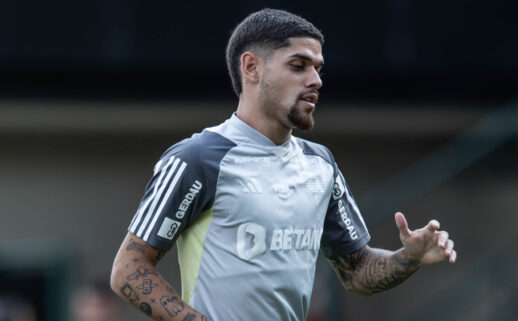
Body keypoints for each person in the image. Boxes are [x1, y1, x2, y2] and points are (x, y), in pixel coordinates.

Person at [110, 8, 457, 321]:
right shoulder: (197, 159)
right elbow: (129, 269)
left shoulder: (320, 164)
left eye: (318, 69)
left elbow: (356, 270)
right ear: (251, 68)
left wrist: (408, 257)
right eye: (298, 65)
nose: (316, 80)